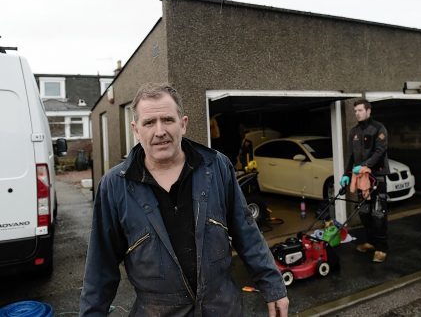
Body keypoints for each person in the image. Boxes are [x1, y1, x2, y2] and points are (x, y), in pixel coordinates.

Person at [80, 83, 289, 316]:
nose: (160, 131)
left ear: (183, 124)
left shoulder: (217, 167)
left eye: (168, 120)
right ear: (136, 130)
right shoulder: (115, 185)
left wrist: (274, 286)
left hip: (222, 307)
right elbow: (100, 267)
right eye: (149, 123)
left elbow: (247, 232)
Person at [340, 99, 390, 263]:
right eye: (355, 111)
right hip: (361, 179)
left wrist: (365, 166)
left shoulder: (378, 128)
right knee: (364, 211)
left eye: (360, 110)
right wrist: (346, 173)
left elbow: (380, 151)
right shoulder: (354, 131)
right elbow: (351, 156)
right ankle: (370, 242)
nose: (357, 113)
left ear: (369, 111)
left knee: (378, 213)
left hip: (377, 176)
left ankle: (381, 248)